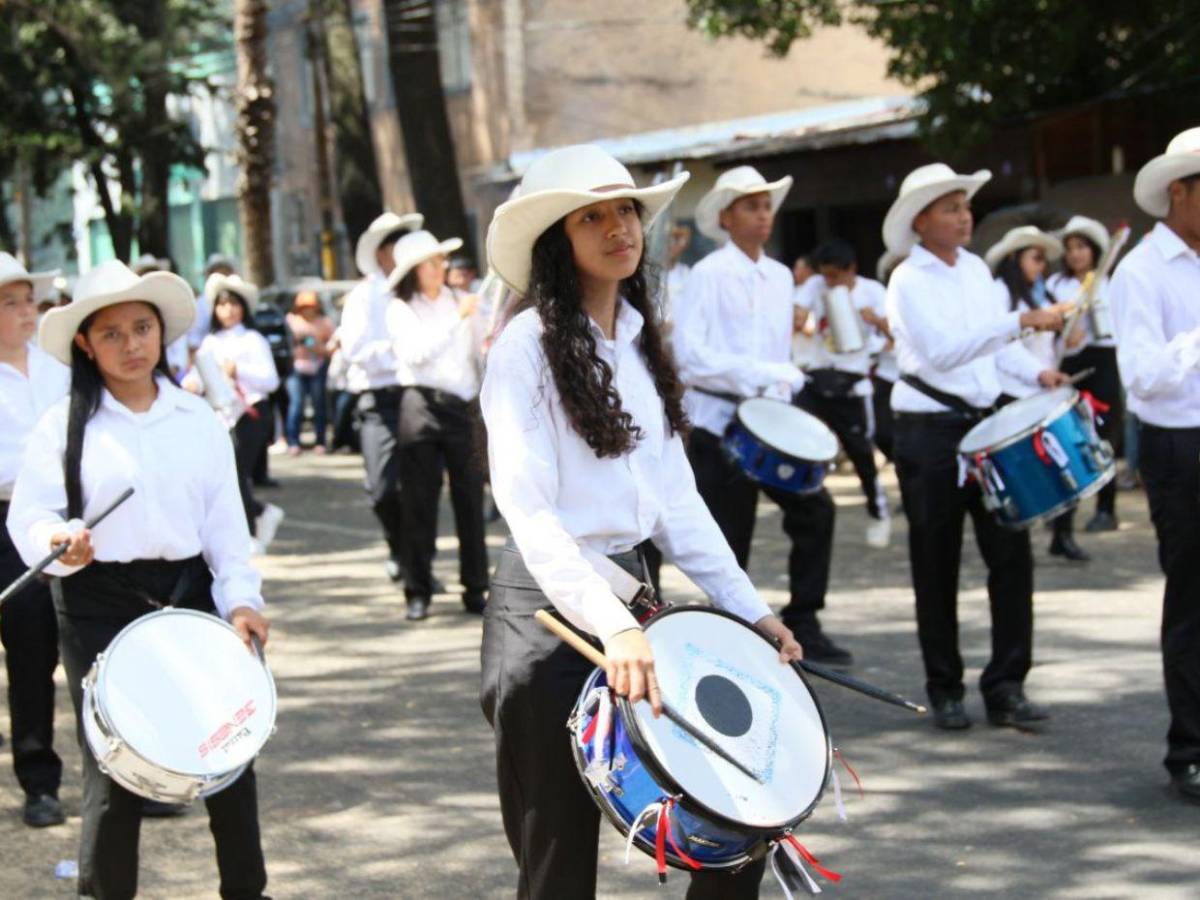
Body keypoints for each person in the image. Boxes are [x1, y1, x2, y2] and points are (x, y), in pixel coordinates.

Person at [480, 143, 803, 900]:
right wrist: (611, 625)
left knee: (737, 815)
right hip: (546, 615)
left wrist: (749, 611)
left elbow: (677, 503)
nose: (619, 227)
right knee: (557, 857)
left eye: (625, 209)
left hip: (636, 602)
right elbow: (528, 508)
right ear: (557, 240)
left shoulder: (637, 335)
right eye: (591, 216)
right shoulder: (523, 349)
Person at [6, 259, 270, 898]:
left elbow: (227, 528)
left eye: (142, 328)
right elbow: (31, 514)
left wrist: (241, 602)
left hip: (187, 593)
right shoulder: (63, 425)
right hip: (95, 598)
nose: (131, 345)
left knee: (226, 751)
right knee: (114, 764)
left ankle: (246, 889)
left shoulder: (196, 419)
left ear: (161, 333)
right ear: (85, 344)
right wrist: (58, 541)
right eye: (113, 334)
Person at [882, 163, 1069, 730]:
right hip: (929, 431)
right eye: (951, 207)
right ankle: (945, 686)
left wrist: (1039, 374)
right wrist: (1020, 322)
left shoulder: (977, 273)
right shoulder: (907, 279)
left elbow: (996, 349)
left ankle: (1007, 686)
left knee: (1011, 555)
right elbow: (944, 353)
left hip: (984, 424)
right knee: (935, 562)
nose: (965, 216)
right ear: (920, 221)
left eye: (965, 205)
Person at [674, 165, 852, 666]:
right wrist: (759, 373)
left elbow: (778, 354)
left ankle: (806, 619)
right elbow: (690, 356)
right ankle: (727, 640)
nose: (762, 216)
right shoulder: (708, 274)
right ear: (727, 217)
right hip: (718, 423)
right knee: (731, 538)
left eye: (766, 206)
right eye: (750, 206)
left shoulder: (778, 277)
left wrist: (783, 383)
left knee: (815, 510)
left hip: (769, 423)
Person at [1110, 126, 1200, 801]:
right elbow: (1142, 378)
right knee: (1193, 600)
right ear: (1181, 192)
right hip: (1181, 446)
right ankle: (1189, 750)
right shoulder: (1141, 270)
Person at [386, 230, 489, 621]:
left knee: (469, 499)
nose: (440, 267)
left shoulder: (463, 302)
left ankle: (475, 586)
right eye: (431, 262)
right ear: (415, 270)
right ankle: (418, 588)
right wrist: (455, 319)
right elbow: (416, 354)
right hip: (421, 404)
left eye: (441, 260)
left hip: (461, 406)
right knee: (419, 501)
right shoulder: (402, 309)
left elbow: (478, 354)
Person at [0, 252, 68, 828]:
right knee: (28, 651)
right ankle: (39, 781)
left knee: (90, 644)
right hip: (4, 520)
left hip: (65, 521)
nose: (26, 313)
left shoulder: (55, 368)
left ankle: (126, 775)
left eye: (28, 301)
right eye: (10, 303)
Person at [985, 226, 1085, 562]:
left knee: (1066, 461)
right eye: (1035, 258)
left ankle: (1063, 533)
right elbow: (1000, 347)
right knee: (1026, 471)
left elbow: (1064, 344)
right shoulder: (999, 294)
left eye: (1044, 260)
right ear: (1016, 258)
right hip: (1012, 393)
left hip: (1046, 389)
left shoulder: (1043, 295)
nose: (1041, 266)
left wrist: (1070, 328)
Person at [340, 211, 426, 584]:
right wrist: (397, 349)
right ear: (379, 253)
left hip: (417, 394)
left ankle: (417, 566)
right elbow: (354, 349)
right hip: (378, 398)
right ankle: (398, 546)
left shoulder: (422, 290)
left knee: (420, 488)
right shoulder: (363, 295)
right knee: (382, 487)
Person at [793, 238, 891, 547]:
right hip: (818, 378)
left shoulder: (873, 292)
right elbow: (797, 315)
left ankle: (878, 510)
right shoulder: (816, 287)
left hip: (853, 383)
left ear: (852, 270)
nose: (830, 281)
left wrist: (870, 319)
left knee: (862, 454)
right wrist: (799, 315)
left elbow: (897, 334)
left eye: (836, 275)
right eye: (825, 275)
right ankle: (803, 507)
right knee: (801, 444)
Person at [186, 273, 283, 555]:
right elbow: (198, 375)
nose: (228, 310)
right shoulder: (210, 342)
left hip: (251, 414)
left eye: (233, 304)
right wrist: (191, 383)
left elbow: (271, 380)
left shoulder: (253, 340)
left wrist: (238, 371)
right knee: (227, 475)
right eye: (222, 304)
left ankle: (250, 528)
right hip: (223, 417)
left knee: (238, 472)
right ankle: (260, 513)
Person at [1050, 215, 1123, 532]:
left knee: (1102, 436)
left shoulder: (1110, 282)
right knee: (1068, 436)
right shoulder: (1055, 286)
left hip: (1104, 362)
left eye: (1081, 247)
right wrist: (1062, 334)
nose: (1075, 254)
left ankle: (1106, 509)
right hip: (1068, 366)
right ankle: (1064, 510)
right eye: (1070, 248)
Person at [284, 290, 335, 454]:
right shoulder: (291, 321)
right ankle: (293, 441)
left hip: (317, 366)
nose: (308, 310)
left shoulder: (325, 323)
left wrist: (320, 348)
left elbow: (334, 344)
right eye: (304, 307)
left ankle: (320, 440)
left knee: (319, 405)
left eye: (311, 306)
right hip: (296, 368)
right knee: (296, 404)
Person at [870, 249, 906, 461]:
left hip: (915, 379)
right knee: (882, 432)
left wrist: (877, 321)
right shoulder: (882, 298)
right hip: (887, 374)